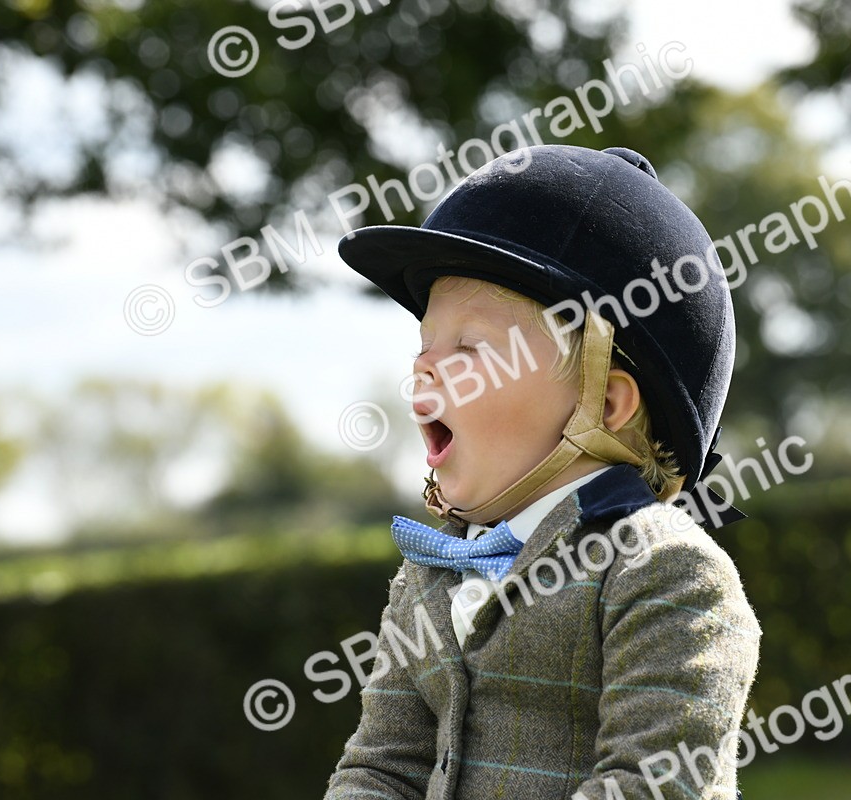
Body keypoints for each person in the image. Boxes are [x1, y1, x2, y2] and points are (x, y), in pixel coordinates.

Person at [324, 144, 760, 800]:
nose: (424, 367)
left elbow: (650, 786)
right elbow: (381, 768)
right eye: (424, 346)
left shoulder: (664, 571)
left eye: (470, 348)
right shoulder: (430, 572)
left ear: (605, 404)